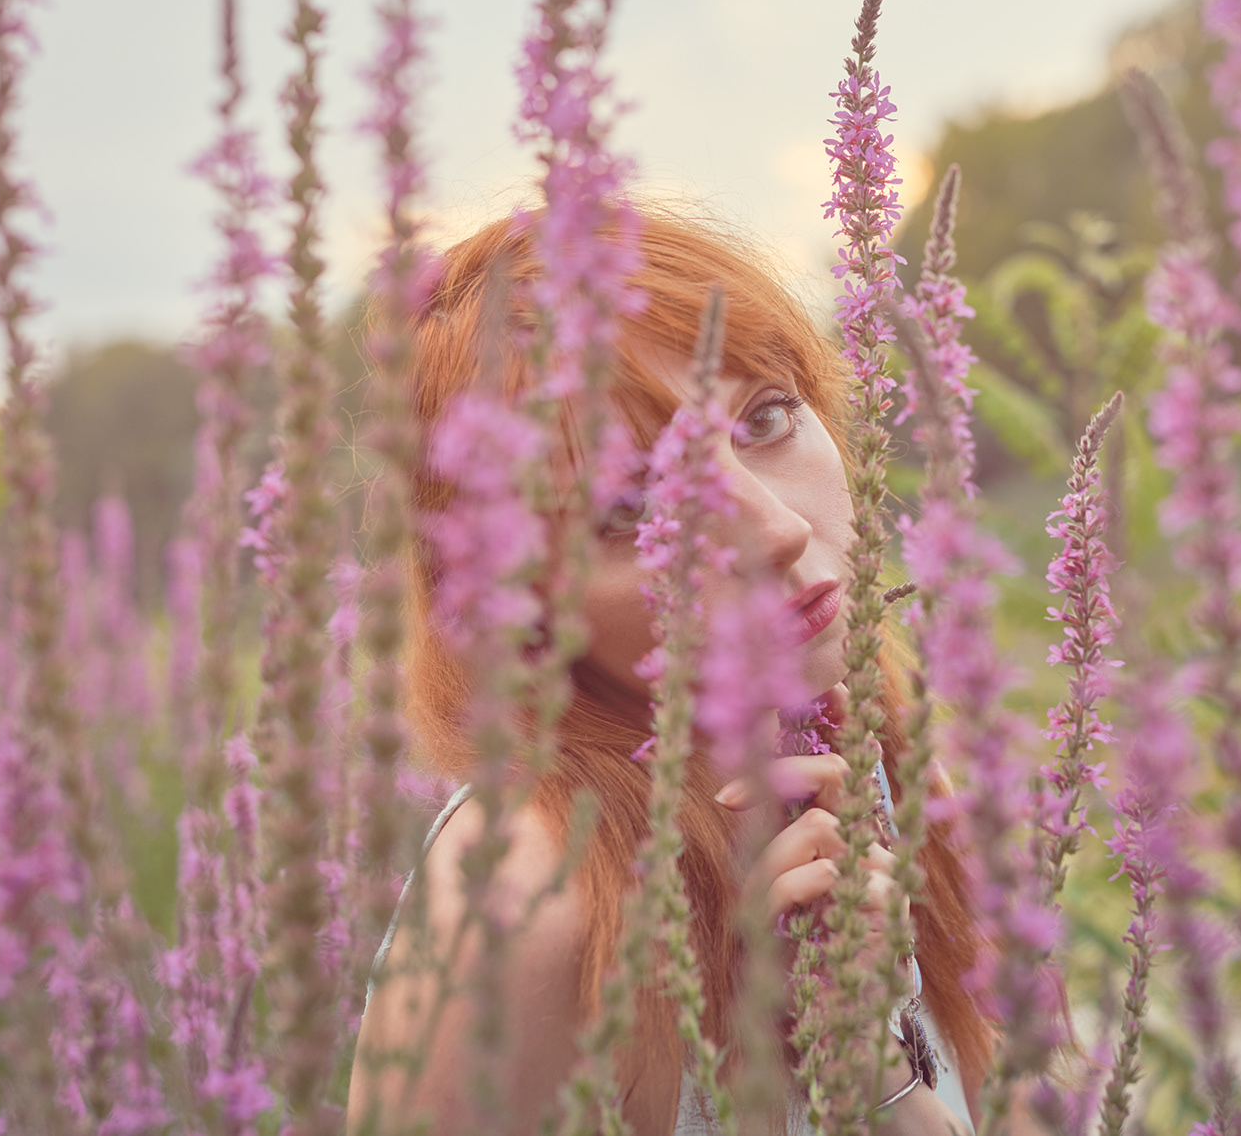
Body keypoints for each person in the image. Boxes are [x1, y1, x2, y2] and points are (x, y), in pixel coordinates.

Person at [347, 211, 1018, 1135]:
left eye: (766, 418)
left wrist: (874, 1073)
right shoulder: (525, 904)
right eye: (629, 509)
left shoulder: (875, 762)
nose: (775, 529)